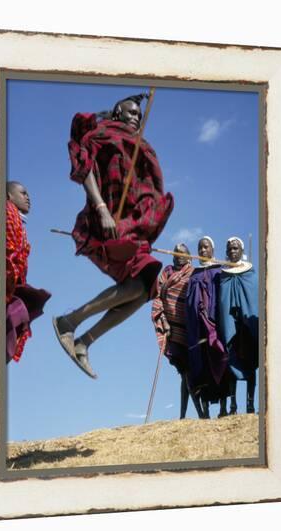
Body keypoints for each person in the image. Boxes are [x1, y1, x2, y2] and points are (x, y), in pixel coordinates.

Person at [53, 93, 174, 378]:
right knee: (142, 281)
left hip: (131, 226)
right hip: (106, 221)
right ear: (118, 112)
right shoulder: (102, 135)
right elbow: (85, 170)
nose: (135, 117)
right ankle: (69, 322)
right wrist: (102, 207)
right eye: (130, 112)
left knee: (144, 289)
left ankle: (82, 340)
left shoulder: (140, 146)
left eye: (138, 115)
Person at [151, 243, 204, 419]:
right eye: (175, 253)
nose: (178, 256)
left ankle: (185, 414)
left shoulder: (194, 273)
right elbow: (157, 297)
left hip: (190, 329)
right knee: (185, 371)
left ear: (189, 257)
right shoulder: (167, 272)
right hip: (172, 330)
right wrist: (164, 320)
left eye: (182, 253)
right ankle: (198, 413)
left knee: (187, 373)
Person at [6, 181, 51, 363]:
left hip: (12, 284)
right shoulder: (8, 212)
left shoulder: (16, 218)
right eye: (23, 193)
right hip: (8, 285)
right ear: (9, 196)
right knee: (18, 315)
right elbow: (10, 252)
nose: (28, 197)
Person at [186, 236, 229, 418]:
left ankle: (223, 408)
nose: (203, 251)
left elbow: (224, 297)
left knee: (221, 359)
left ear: (213, 250)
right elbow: (189, 301)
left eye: (206, 247)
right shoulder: (194, 274)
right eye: (200, 248)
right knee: (200, 364)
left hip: (216, 324)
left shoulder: (220, 271)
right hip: (198, 328)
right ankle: (205, 411)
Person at [218, 237, 259, 414]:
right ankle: (233, 405)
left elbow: (255, 298)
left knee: (251, 364)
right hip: (231, 328)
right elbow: (221, 301)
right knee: (230, 364)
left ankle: (250, 404)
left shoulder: (251, 274)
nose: (233, 251)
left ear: (241, 250)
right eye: (230, 249)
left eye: (235, 248)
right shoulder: (223, 275)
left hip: (247, 328)